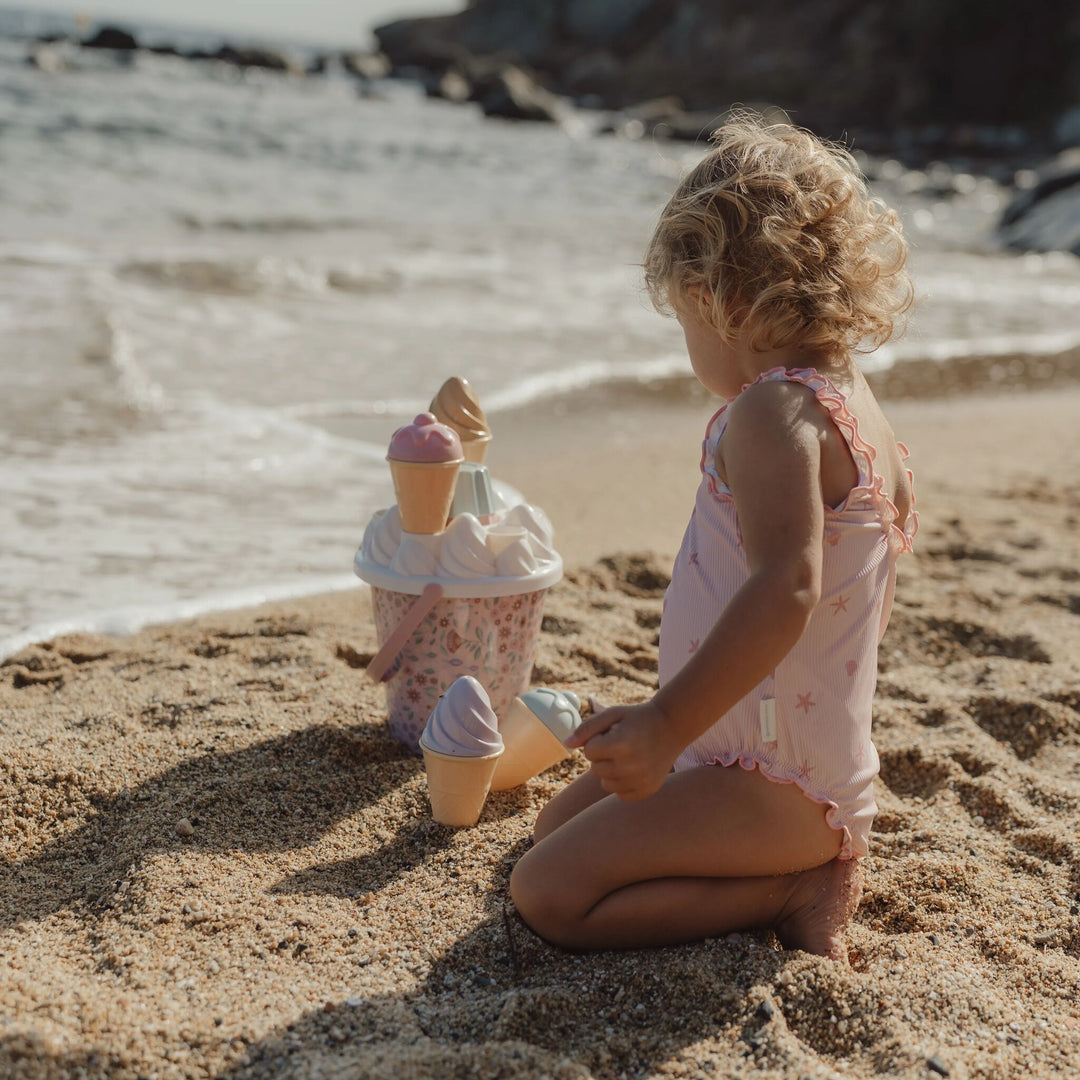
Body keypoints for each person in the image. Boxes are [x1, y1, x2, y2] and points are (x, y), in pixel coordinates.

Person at [509, 112, 917, 962]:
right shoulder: (855, 405)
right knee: (553, 829)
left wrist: (664, 723)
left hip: (776, 781)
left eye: (685, 324)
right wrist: (680, 726)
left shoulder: (772, 412)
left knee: (548, 893)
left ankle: (793, 886)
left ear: (713, 300)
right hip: (753, 746)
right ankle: (789, 859)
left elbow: (789, 586)